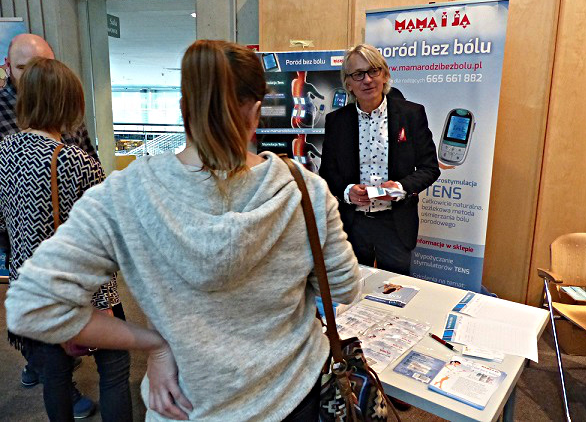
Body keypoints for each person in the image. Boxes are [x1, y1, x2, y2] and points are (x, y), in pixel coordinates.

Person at [6, 40, 360, 421]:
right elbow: (344, 287)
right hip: (294, 395)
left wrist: (155, 344)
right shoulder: (305, 190)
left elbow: (31, 305)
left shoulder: (128, 193)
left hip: (184, 406)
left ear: (182, 108)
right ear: (256, 113)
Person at [0, 58, 132, 421]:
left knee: (55, 376)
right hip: (79, 290)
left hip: (29, 289)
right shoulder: (78, 162)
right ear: (68, 103)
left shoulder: (4, 152)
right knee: (115, 367)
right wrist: (103, 304)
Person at [0, 33, 99, 391]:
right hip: (28, 245)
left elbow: (91, 172)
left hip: (62, 245)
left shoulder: (66, 124)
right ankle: (43, 364)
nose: (34, 76)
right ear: (8, 67)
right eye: (24, 68)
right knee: (45, 333)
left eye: (43, 66)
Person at [320, 44, 440, 275]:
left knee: (395, 289)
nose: (367, 80)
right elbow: (327, 173)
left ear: (384, 75)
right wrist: (347, 192)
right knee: (353, 288)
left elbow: (430, 168)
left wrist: (400, 187)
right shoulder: (336, 121)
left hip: (395, 224)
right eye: (358, 74)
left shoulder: (411, 114)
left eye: (373, 71)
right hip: (353, 225)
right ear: (348, 83)